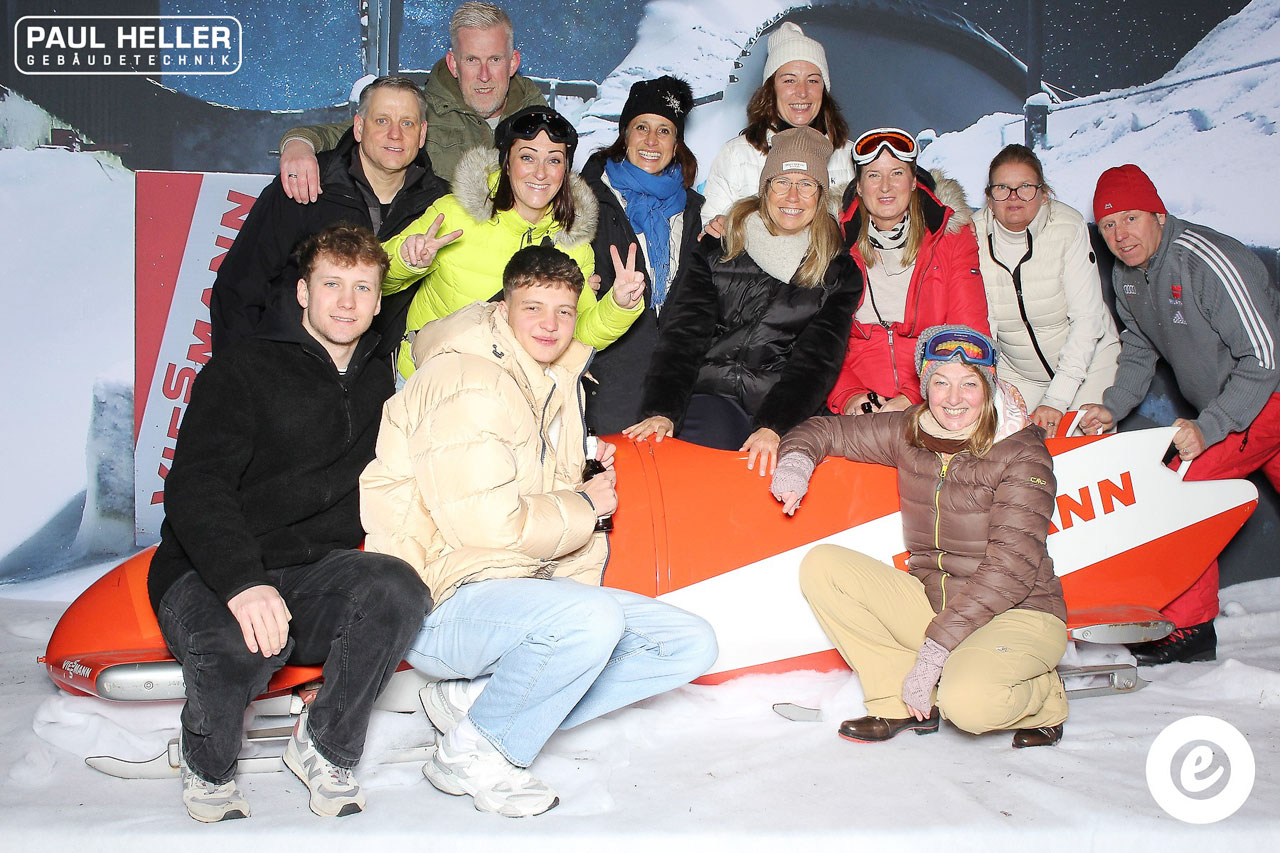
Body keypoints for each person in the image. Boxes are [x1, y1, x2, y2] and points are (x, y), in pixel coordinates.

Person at [359, 245, 717, 817]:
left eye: (564, 311)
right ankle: (476, 752)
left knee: (686, 644)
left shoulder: (550, 376)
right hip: (443, 600)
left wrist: (578, 469)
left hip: (521, 587)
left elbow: (524, 485)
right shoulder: (467, 381)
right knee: (591, 620)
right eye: (533, 308)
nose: (550, 325)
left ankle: (477, 702)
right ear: (503, 309)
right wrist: (585, 504)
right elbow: (487, 527)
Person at [149, 225, 430, 822]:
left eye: (362, 288)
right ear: (303, 292)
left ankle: (325, 746)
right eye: (332, 284)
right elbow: (197, 488)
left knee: (396, 588)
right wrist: (243, 583)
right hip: (211, 570)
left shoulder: (381, 381)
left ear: (379, 301)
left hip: (310, 570)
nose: (347, 302)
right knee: (241, 645)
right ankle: (207, 764)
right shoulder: (242, 368)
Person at [771, 325, 1068, 749]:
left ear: (988, 386)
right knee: (824, 566)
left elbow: (1010, 572)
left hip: (1017, 612)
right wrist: (796, 462)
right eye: (941, 382)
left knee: (968, 706)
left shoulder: (1021, 453)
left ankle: (1046, 697)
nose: (954, 398)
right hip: (936, 602)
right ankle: (895, 701)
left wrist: (935, 651)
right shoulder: (912, 430)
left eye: (969, 384)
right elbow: (825, 430)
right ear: (926, 386)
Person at [1079, 164, 1280, 665]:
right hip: (1235, 401)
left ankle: (1190, 627)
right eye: (1109, 225)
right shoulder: (1129, 275)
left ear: (1159, 215)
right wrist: (1112, 405)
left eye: (1131, 218)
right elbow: (1139, 347)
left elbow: (1263, 358)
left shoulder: (1204, 261)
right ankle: (1188, 622)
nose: (1120, 236)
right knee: (1176, 488)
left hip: (1265, 394)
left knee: (1183, 489)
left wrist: (1209, 427)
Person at [625, 127, 862, 473]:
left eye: (806, 185)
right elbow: (684, 335)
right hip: (712, 394)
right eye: (782, 182)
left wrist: (774, 425)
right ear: (765, 188)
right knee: (698, 466)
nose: (792, 196)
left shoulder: (838, 269)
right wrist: (662, 411)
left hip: (782, 406)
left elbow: (817, 361)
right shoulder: (721, 245)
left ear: (821, 194)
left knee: (780, 472)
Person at [379, 105, 643, 380]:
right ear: (506, 162)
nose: (540, 173)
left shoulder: (573, 243)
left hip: (514, 393)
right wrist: (407, 260)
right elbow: (372, 280)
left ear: (565, 170)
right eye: (527, 157)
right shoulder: (455, 214)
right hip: (432, 382)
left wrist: (619, 307)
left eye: (554, 160)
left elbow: (576, 336)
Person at [211, 76, 448, 356]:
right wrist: (239, 371)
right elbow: (238, 289)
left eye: (407, 123)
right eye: (382, 120)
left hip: (382, 375)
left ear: (422, 134)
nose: (395, 134)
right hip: (288, 364)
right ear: (359, 127)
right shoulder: (308, 186)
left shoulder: (442, 205)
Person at [278, 2, 547, 199]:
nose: (484, 75)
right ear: (454, 64)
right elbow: (353, 133)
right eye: (472, 60)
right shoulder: (420, 112)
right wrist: (298, 145)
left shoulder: (541, 121)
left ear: (513, 62)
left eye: (495, 59)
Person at [826, 127, 989, 417]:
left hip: (937, 399)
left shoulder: (951, 237)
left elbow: (967, 336)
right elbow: (820, 340)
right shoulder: (831, 241)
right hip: (859, 404)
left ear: (914, 181)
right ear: (859, 186)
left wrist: (915, 395)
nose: (885, 187)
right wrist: (849, 395)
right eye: (873, 175)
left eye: (897, 173)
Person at [580, 75, 706, 433]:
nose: (652, 140)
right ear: (625, 134)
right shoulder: (587, 200)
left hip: (673, 385)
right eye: (641, 127)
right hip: (608, 378)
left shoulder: (695, 210)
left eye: (664, 130)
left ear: (676, 143)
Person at [973, 144, 1120, 435]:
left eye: (1025, 187)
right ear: (989, 199)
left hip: (1089, 364)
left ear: (1043, 194)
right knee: (1004, 443)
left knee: (1078, 445)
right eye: (1002, 188)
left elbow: (1087, 319)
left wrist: (1057, 399)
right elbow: (984, 326)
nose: (1014, 197)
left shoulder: (1067, 226)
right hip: (1020, 372)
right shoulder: (972, 235)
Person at [701, 22, 854, 235]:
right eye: (789, 80)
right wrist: (717, 227)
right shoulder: (737, 155)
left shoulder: (850, 156)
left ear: (824, 89)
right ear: (771, 88)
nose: (802, 92)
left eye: (813, 80)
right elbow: (709, 227)